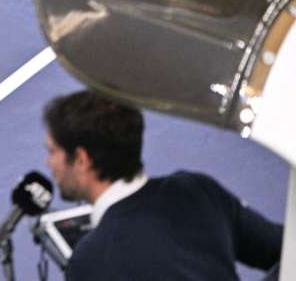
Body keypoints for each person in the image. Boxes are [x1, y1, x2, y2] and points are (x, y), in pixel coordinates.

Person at [42, 90, 283, 281]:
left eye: (52, 152)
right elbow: (286, 249)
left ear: (81, 160)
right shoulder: (197, 191)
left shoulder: (90, 262)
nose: (48, 162)